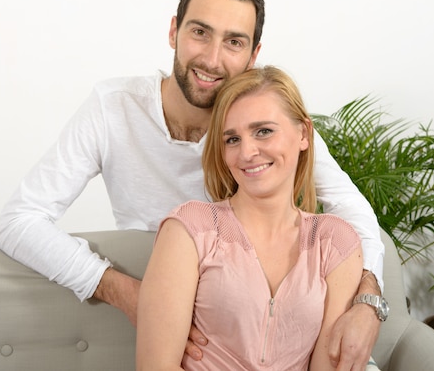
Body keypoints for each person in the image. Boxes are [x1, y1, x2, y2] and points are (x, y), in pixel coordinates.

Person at [0, 0, 386, 370]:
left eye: (233, 42)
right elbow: (19, 220)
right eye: (200, 32)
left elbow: (352, 215)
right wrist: (127, 291)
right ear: (173, 32)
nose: (212, 59)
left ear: (253, 56)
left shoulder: (271, 128)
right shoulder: (113, 107)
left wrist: (368, 302)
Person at [137, 65, 379, 371]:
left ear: (303, 134)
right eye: (232, 139)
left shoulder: (335, 242)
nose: (247, 152)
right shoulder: (190, 229)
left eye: (263, 131)